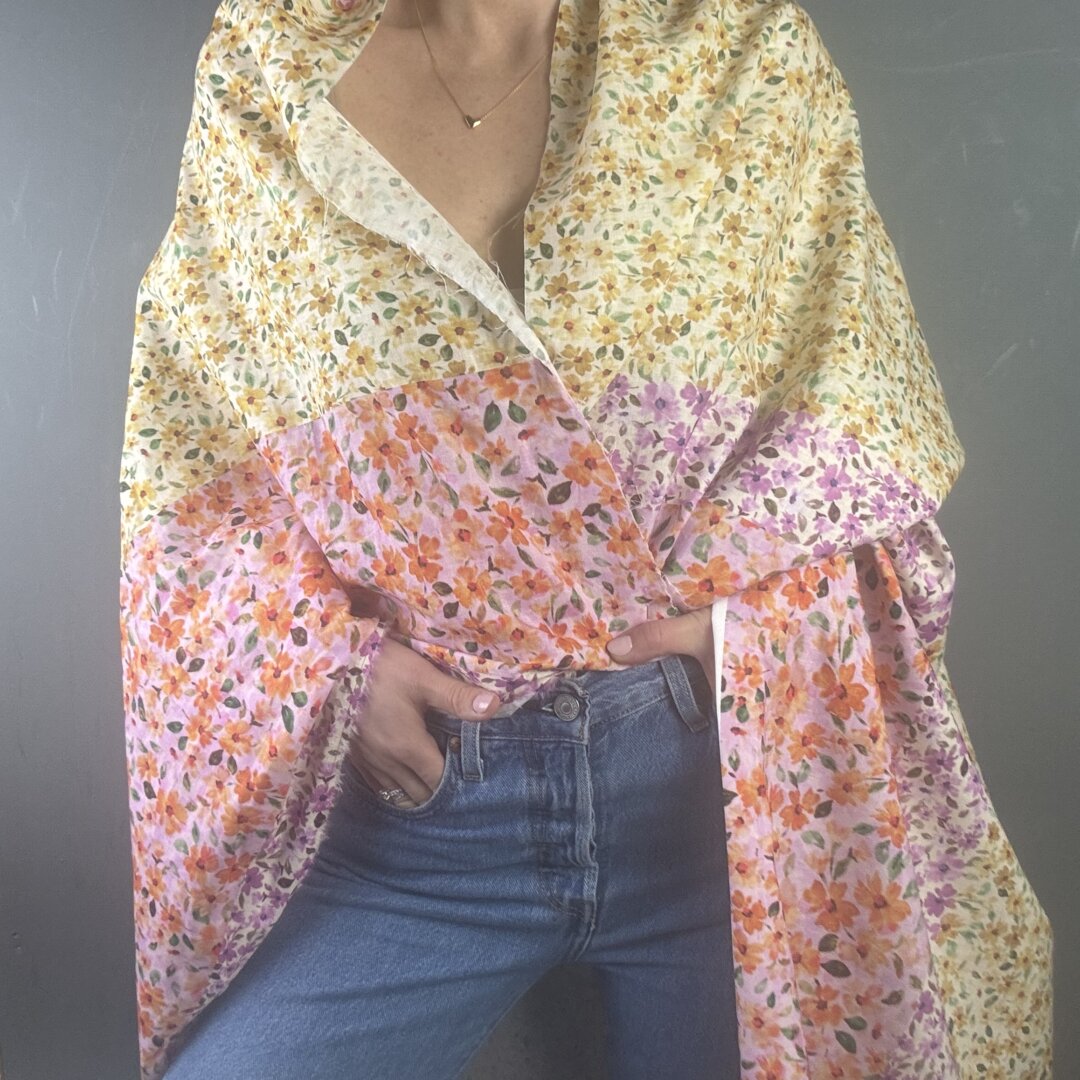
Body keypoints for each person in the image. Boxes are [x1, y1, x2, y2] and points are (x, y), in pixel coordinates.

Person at [119, 1, 1054, 1078]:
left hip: (726, 802)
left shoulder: (736, 47)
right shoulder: (270, 64)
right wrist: (332, 665)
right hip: (424, 824)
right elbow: (197, 457)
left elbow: (863, 423)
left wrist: (745, 640)